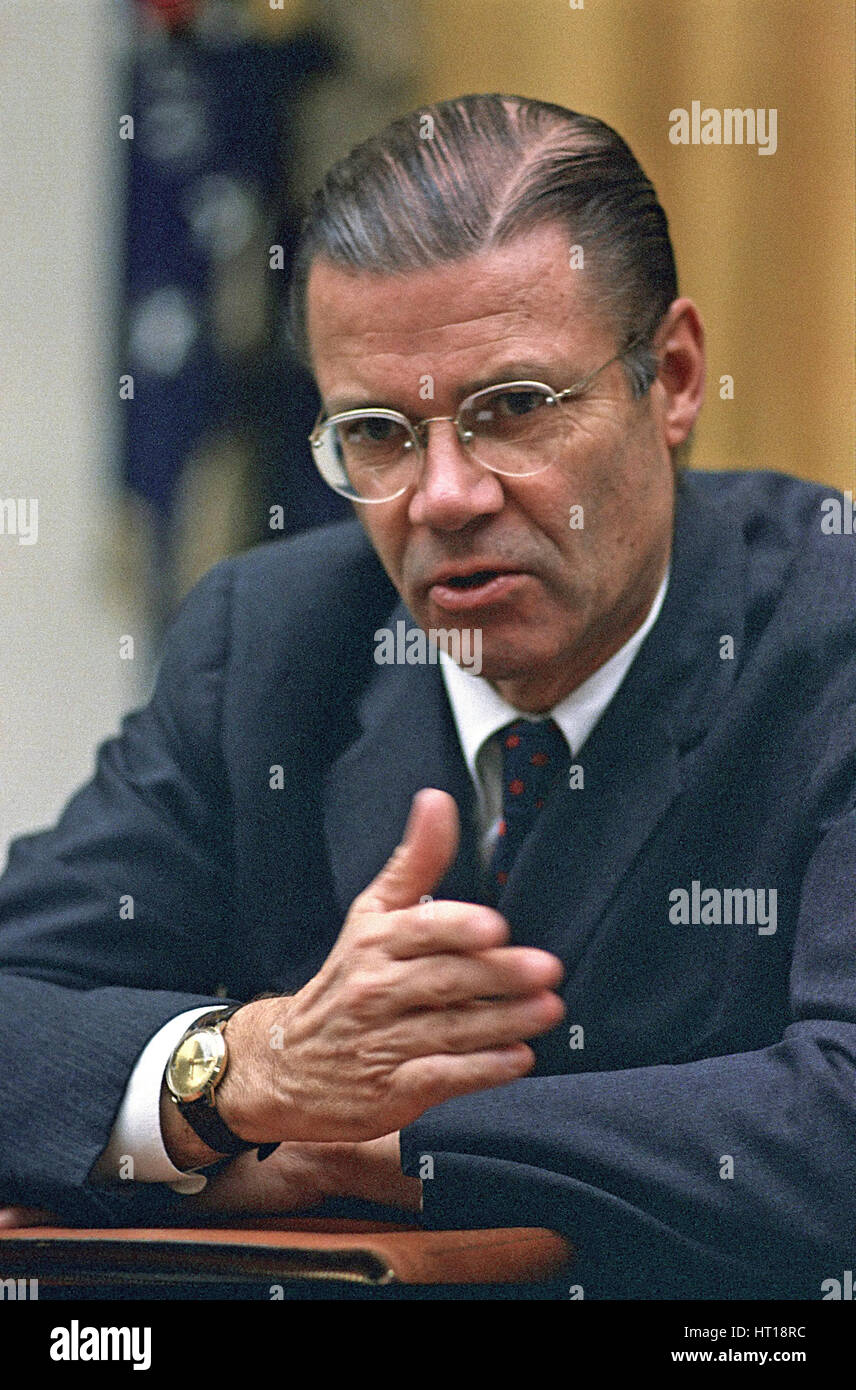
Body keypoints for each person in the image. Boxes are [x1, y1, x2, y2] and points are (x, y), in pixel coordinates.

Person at [1, 93, 854, 1300]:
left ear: (670, 377)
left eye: (510, 409)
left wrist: (382, 1141)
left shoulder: (833, 632)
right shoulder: (273, 639)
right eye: (378, 431)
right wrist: (237, 1071)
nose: (442, 495)